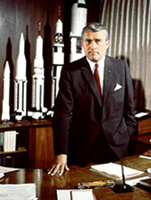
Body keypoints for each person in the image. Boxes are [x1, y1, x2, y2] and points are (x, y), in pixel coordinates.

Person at [48, 22, 137, 176]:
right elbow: (62, 114)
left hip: (117, 147)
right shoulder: (71, 71)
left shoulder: (120, 67)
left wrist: (127, 135)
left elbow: (129, 107)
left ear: (107, 44)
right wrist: (61, 153)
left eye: (98, 41)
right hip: (83, 148)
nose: (93, 46)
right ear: (82, 44)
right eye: (88, 41)